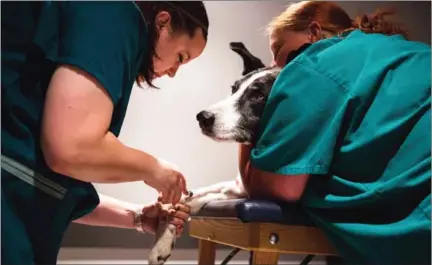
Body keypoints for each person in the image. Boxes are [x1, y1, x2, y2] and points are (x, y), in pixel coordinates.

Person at [1, 1, 209, 264]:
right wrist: (154, 168)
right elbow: (70, 150)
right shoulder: (113, 12)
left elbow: (50, 184)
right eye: (181, 57)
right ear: (163, 22)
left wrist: (138, 216)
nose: (173, 73)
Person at [238, 1, 431, 265]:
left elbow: (278, 187)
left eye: (277, 50)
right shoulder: (408, 51)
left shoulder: (310, 65)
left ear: (313, 33)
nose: (274, 65)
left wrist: (245, 129)